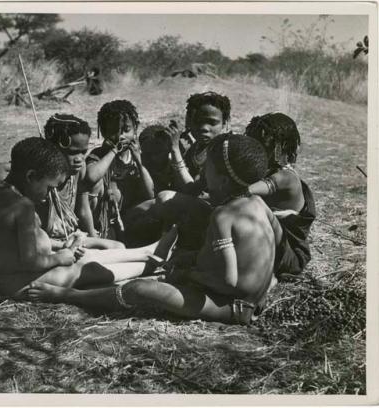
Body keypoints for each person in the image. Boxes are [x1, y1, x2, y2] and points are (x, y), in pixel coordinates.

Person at [26, 134, 282, 325]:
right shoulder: (258, 203)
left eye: (208, 169)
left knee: (141, 289)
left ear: (224, 180)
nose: (203, 171)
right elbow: (277, 237)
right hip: (254, 298)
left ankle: (68, 295)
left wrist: (189, 274)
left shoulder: (223, 216)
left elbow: (228, 281)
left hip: (234, 307)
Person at [0, 137, 179, 300]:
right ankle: (148, 265)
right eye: (49, 187)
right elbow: (31, 262)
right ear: (31, 176)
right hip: (16, 283)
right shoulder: (23, 206)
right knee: (86, 270)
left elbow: (17, 244)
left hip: (8, 276)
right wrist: (60, 257)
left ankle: (149, 252)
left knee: (88, 257)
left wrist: (62, 246)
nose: (49, 195)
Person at [0, 114, 124, 250]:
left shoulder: (78, 171)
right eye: (72, 152)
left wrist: (94, 238)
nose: (79, 159)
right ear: (54, 149)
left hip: (71, 238)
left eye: (83, 152)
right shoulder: (40, 176)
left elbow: (83, 209)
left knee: (117, 247)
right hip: (46, 242)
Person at [125, 91, 232, 248]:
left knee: (164, 198)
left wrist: (175, 149)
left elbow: (192, 190)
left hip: (218, 211)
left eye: (212, 122)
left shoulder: (224, 148)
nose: (204, 128)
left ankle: (166, 245)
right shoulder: (196, 148)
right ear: (190, 121)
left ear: (226, 123)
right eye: (199, 121)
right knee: (135, 212)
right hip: (196, 206)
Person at [245, 112, 316, 279]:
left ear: (280, 149)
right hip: (269, 246)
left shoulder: (286, 177)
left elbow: (245, 191)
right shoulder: (266, 172)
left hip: (289, 256)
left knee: (250, 203)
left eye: (263, 147)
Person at [83, 100, 155, 241]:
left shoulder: (138, 156)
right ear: (103, 132)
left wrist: (140, 163)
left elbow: (151, 194)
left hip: (130, 217)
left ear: (136, 127)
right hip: (105, 221)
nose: (120, 136)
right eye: (112, 132)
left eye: (126, 130)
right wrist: (113, 152)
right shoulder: (99, 155)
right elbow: (91, 177)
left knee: (156, 205)